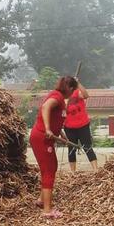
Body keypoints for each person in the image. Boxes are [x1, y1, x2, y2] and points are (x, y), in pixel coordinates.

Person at [30, 76, 78, 217]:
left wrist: (62, 135)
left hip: (46, 138)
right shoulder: (56, 97)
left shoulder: (61, 100)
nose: (73, 93)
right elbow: (45, 107)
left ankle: (41, 200)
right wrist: (48, 129)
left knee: (51, 167)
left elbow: (56, 119)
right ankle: (47, 210)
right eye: (73, 90)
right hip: (41, 137)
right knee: (49, 170)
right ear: (69, 88)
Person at [64, 78, 98, 171]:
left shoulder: (77, 92)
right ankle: (73, 172)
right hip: (69, 127)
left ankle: (95, 170)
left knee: (87, 147)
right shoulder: (63, 96)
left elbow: (86, 95)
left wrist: (78, 83)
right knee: (71, 149)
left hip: (83, 125)